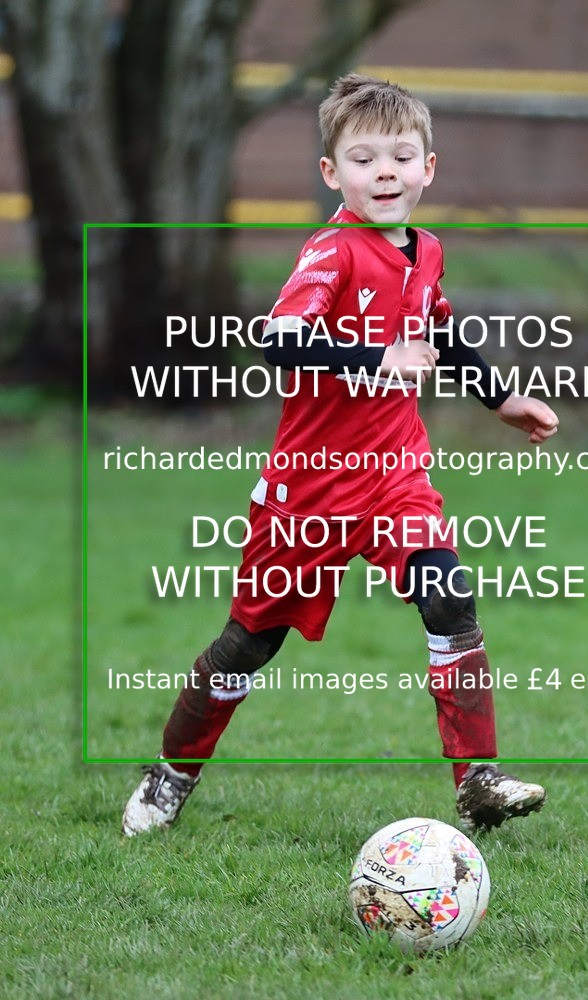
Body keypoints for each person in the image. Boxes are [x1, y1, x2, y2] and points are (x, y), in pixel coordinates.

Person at [122, 74, 559, 837]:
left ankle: (476, 780)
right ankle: (171, 773)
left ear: (429, 167)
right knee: (249, 643)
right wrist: (376, 359)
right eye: (362, 159)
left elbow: (441, 333)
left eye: (400, 155)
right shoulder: (330, 249)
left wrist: (501, 399)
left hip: (396, 478)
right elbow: (279, 338)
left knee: (448, 596)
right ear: (332, 173)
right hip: (310, 491)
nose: (383, 172)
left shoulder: (426, 251)